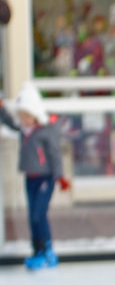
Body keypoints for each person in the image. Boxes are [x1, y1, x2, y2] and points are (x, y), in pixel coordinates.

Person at [0, 81, 69, 270]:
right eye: (21, 116)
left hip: (45, 178)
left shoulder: (46, 131)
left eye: (26, 116)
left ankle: (47, 250)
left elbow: (54, 154)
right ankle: (37, 250)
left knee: (39, 214)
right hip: (30, 178)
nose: (23, 120)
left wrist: (60, 177)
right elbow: (10, 122)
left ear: (35, 114)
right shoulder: (24, 129)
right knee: (32, 215)